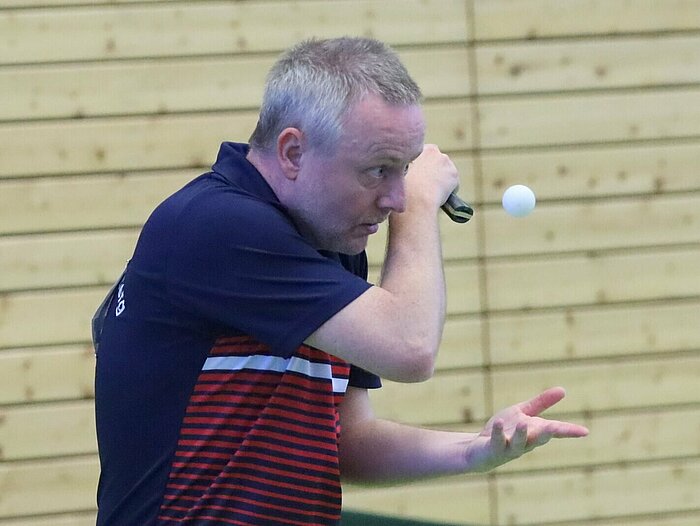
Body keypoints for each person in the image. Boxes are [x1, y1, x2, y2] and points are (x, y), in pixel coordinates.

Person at [93, 36, 588, 525]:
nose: (395, 197)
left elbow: (345, 443)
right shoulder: (215, 226)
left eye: (407, 170)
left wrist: (473, 450)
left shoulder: (331, 244)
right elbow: (410, 347)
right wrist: (418, 205)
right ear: (292, 152)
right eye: (379, 170)